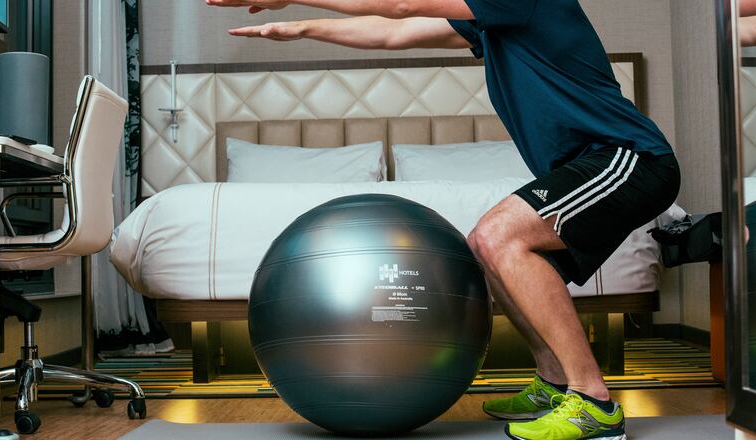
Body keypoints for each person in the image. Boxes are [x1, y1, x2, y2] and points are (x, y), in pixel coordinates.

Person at [206, 1, 680, 439]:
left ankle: (593, 403)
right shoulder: (493, 19)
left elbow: (402, 4)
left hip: (628, 158)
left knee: (501, 236)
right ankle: (553, 383)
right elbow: (394, 31)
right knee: (485, 244)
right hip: (593, 163)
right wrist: (304, 27)